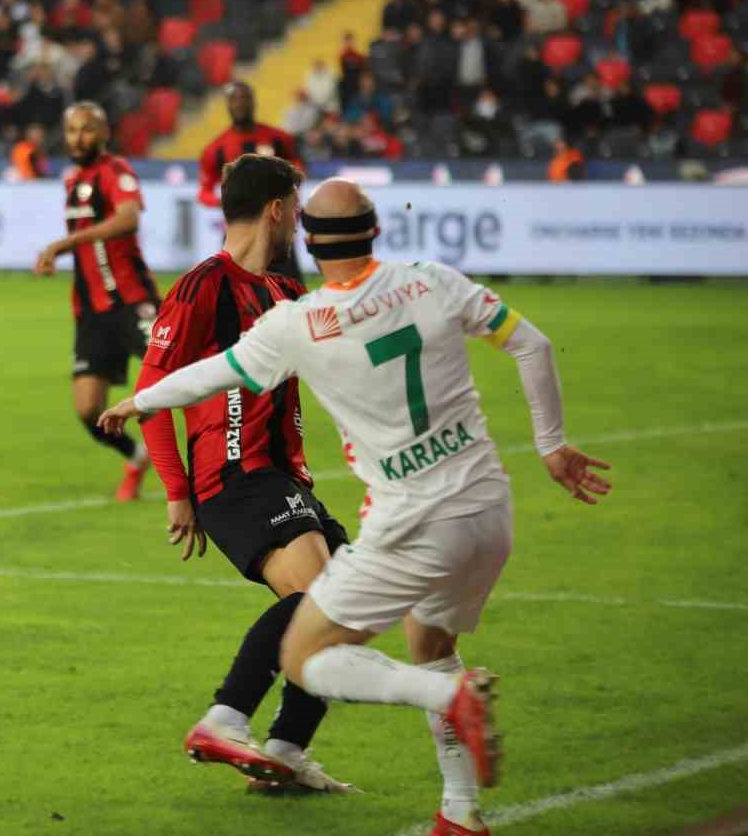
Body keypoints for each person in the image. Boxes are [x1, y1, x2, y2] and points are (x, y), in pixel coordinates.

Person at [100, 178, 612, 836]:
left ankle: (437, 700)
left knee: (306, 652)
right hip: (489, 508)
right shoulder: (433, 279)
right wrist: (551, 446)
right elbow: (533, 345)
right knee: (432, 644)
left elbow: (215, 371)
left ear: (308, 241)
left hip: (409, 517)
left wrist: (137, 402)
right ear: (375, 230)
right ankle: (458, 812)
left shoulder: (298, 320)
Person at [136, 153, 355, 794]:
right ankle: (224, 718)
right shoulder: (203, 285)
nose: (299, 218)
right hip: (234, 476)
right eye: (297, 203)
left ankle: (285, 751)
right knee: (320, 598)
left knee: (347, 603)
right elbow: (152, 393)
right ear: (277, 209)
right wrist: (179, 492)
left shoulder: (286, 293)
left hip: (287, 480)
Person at [34, 102, 159, 501]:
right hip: (90, 310)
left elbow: (128, 218)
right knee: (89, 410)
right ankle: (137, 457)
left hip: (132, 300)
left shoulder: (115, 171)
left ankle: (221, 464)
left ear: (105, 132)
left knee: (173, 382)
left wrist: (66, 243)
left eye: (87, 129)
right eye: (72, 130)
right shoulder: (73, 181)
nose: (78, 138)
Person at [197, 82, 306, 278]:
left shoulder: (278, 138)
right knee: (234, 295)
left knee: (291, 293)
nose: (240, 104)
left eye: (244, 98)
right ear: (228, 104)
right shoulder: (216, 148)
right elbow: (203, 192)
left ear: (253, 102)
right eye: (234, 99)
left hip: (275, 228)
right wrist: (228, 201)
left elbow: (298, 169)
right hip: (238, 232)